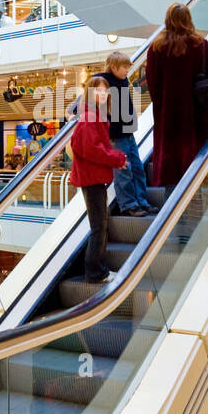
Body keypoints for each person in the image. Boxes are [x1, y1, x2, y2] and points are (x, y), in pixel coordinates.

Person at [146, 4, 208, 191]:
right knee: (198, 162)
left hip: (168, 117)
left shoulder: (156, 48)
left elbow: (152, 85)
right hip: (198, 116)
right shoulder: (202, 46)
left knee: (171, 167)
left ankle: (172, 211)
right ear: (189, 19)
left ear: (167, 20)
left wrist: (163, 104)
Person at [70, 76, 127, 284]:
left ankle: (99, 269)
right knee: (98, 226)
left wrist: (115, 160)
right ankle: (95, 272)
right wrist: (117, 158)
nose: (102, 94)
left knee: (100, 224)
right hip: (91, 178)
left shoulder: (95, 116)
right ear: (89, 93)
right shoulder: (90, 118)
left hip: (93, 176)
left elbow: (95, 148)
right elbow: (92, 150)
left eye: (105, 91)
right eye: (98, 91)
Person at [100, 49, 153, 217]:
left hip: (128, 132)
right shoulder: (102, 82)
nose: (127, 70)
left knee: (137, 168)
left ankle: (141, 202)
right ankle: (128, 205)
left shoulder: (123, 80)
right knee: (123, 171)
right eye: (124, 67)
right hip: (115, 135)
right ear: (114, 67)